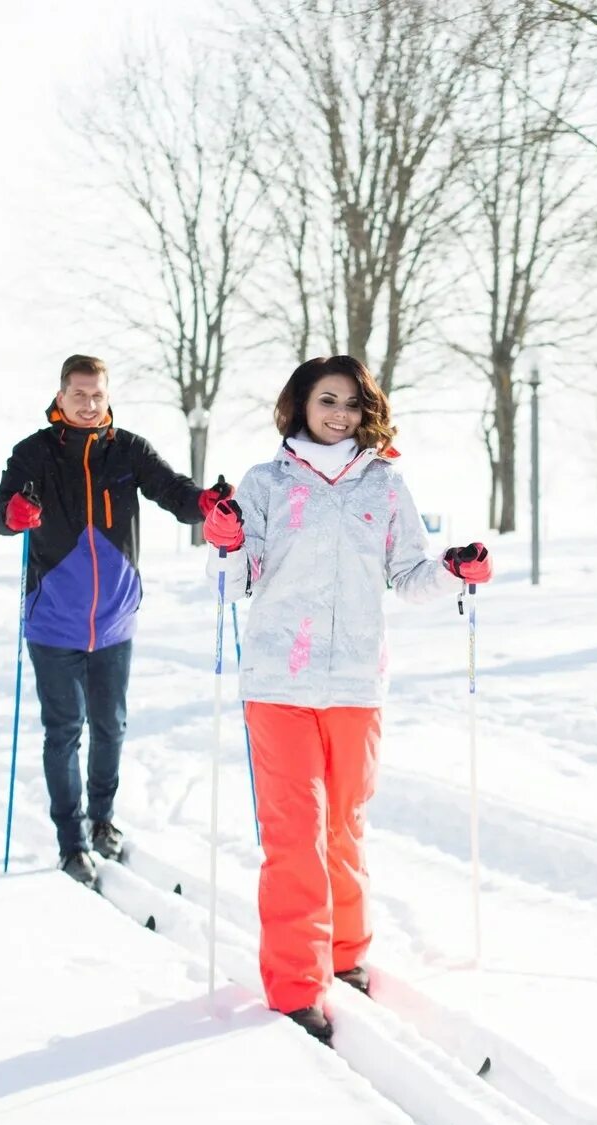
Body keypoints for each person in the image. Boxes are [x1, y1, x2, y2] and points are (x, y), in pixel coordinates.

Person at [201, 354, 492, 1043]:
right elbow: (233, 583)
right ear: (301, 404)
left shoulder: (384, 484)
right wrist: (227, 542)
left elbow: (409, 575)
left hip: (358, 683)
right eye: (327, 400)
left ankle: (345, 954)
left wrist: (453, 570)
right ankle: (296, 984)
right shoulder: (266, 482)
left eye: (351, 403)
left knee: (345, 828)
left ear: (367, 411)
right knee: (295, 835)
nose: (339, 414)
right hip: (280, 682)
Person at [0, 354, 231, 888]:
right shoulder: (33, 452)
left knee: (110, 726)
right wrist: (13, 514)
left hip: (115, 619)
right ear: (61, 395)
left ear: (107, 396)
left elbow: (173, 492)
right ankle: (71, 841)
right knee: (64, 732)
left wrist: (205, 502)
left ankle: (101, 820)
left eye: (97, 394)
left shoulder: (128, 449)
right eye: (79, 394)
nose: (89, 403)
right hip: (53, 621)